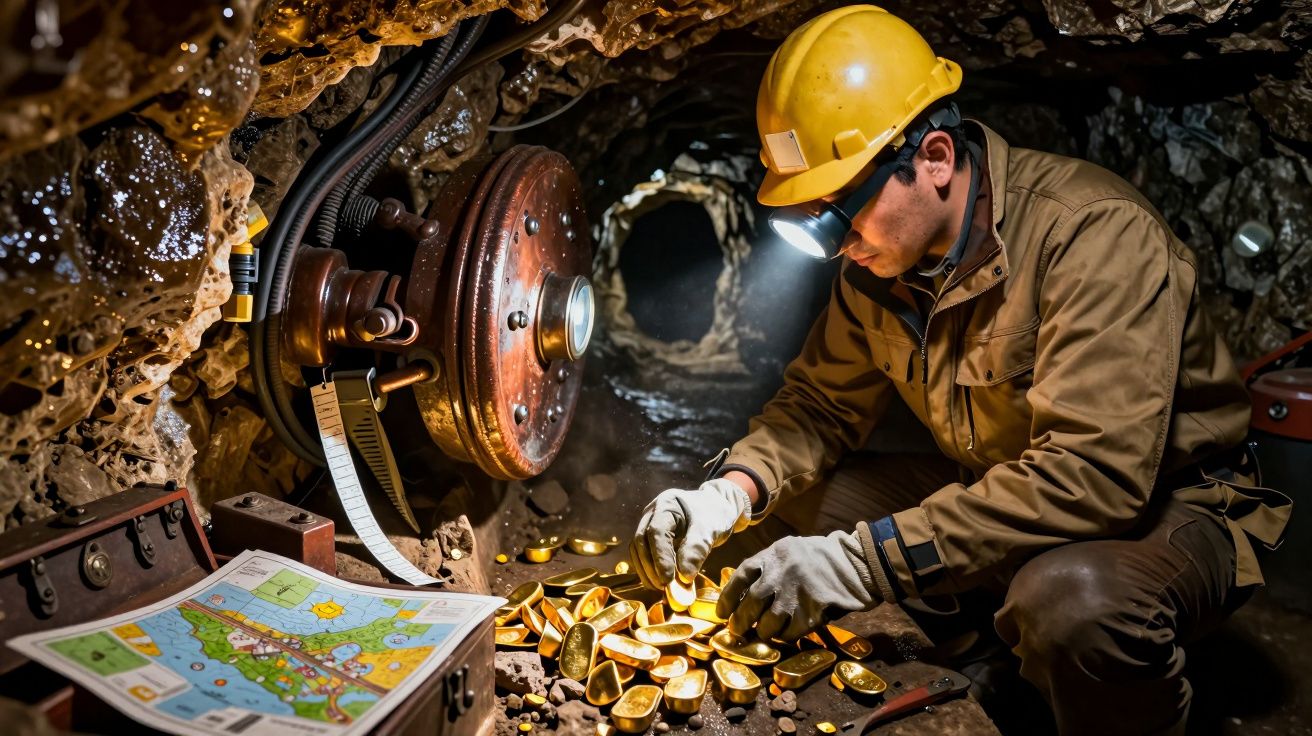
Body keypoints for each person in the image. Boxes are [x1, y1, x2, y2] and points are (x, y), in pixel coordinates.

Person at [628, 6, 1292, 735]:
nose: (836, 244)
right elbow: (820, 408)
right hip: (999, 484)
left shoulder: (1094, 235)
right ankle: (976, 641)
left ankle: (1086, 680)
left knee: (1070, 604)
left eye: (839, 210)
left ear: (935, 158)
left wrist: (864, 563)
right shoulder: (878, 264)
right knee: (792, 508)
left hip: (1166, 509)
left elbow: (1096, 477)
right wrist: (729, 492)